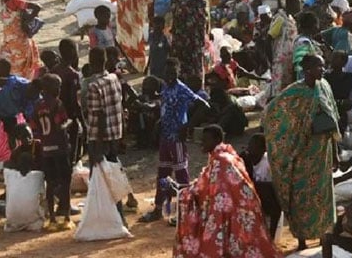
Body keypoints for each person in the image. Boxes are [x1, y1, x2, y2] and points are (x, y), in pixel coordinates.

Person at [261, 54, 339, 251]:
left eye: (323, 66)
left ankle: (323, 238)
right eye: (318, 67)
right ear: (307, 70)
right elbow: (273, 112)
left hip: (323, 153)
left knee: (323, 198)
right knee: (301, 198)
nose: (322, 70)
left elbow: (333, 119)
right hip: (303, 154)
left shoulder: (325, 87)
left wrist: (336, 152)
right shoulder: (295, 93)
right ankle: (302, 240)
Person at [173, 125, 280, 257]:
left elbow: (216, 191)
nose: (202, 143)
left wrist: (187, 192)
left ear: (217, 139)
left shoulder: (221, 160)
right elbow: (209, 182)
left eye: (205, 140)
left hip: (233, 210)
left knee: (204, 209)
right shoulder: (224, 155)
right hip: (241, 209)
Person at [139, 58, 209, 223]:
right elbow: (165, 107)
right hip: (165, 137)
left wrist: (188, 126)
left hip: (177, 138)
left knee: (181, 175)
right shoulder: (165, 87)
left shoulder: (182, 89)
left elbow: (204, 106)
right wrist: (159, 122)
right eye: (167, 72)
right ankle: (158, 209)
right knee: (162, 174)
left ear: (178, 73)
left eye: (172, 72)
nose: (169, 75)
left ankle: (184, 212)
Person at [84, 47, 126, 220]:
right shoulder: (114, 78)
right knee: (113, 174)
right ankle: (118, 214)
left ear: (91, 62)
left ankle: (103, 216)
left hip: (99, 137)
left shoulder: (94, 86)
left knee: (98, 179)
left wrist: (99, 145)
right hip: (115, 133)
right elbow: (119, 107)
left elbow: (99, 115)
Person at [32, 74, 73, 231]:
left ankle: (52, 219)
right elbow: (59, 125)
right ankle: (67, 217)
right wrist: (70, 123)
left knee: (50, 182)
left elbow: (35, 128)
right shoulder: (57, 104)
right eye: (59, 87)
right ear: (53, 89)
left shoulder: (38, 106)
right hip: (60, 148)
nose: (60, 90)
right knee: (65, 181)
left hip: (46, 149)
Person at [0, 0, 41, 79]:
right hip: (9, 40)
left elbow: (36, 7)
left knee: (17, 69)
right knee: (2, 63)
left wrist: (28, 19)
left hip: (19, 41)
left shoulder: (14, 1)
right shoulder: (4, 1)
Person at [171, 0, 208, 80]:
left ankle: (196, 83)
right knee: (181, 61)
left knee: (195, 62)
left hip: (194, 35)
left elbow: (202, 16)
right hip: (181, 34)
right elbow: (176, 13)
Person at [147, 16, 170, 81]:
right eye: (156, 24)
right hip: (153, 66)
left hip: (162, 67)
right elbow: (151, 51)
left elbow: (169, 50)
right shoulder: (151, 36)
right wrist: (147, 66)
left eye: (159, 24)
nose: (157, 26)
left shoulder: (165, 38)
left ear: (163, 26)